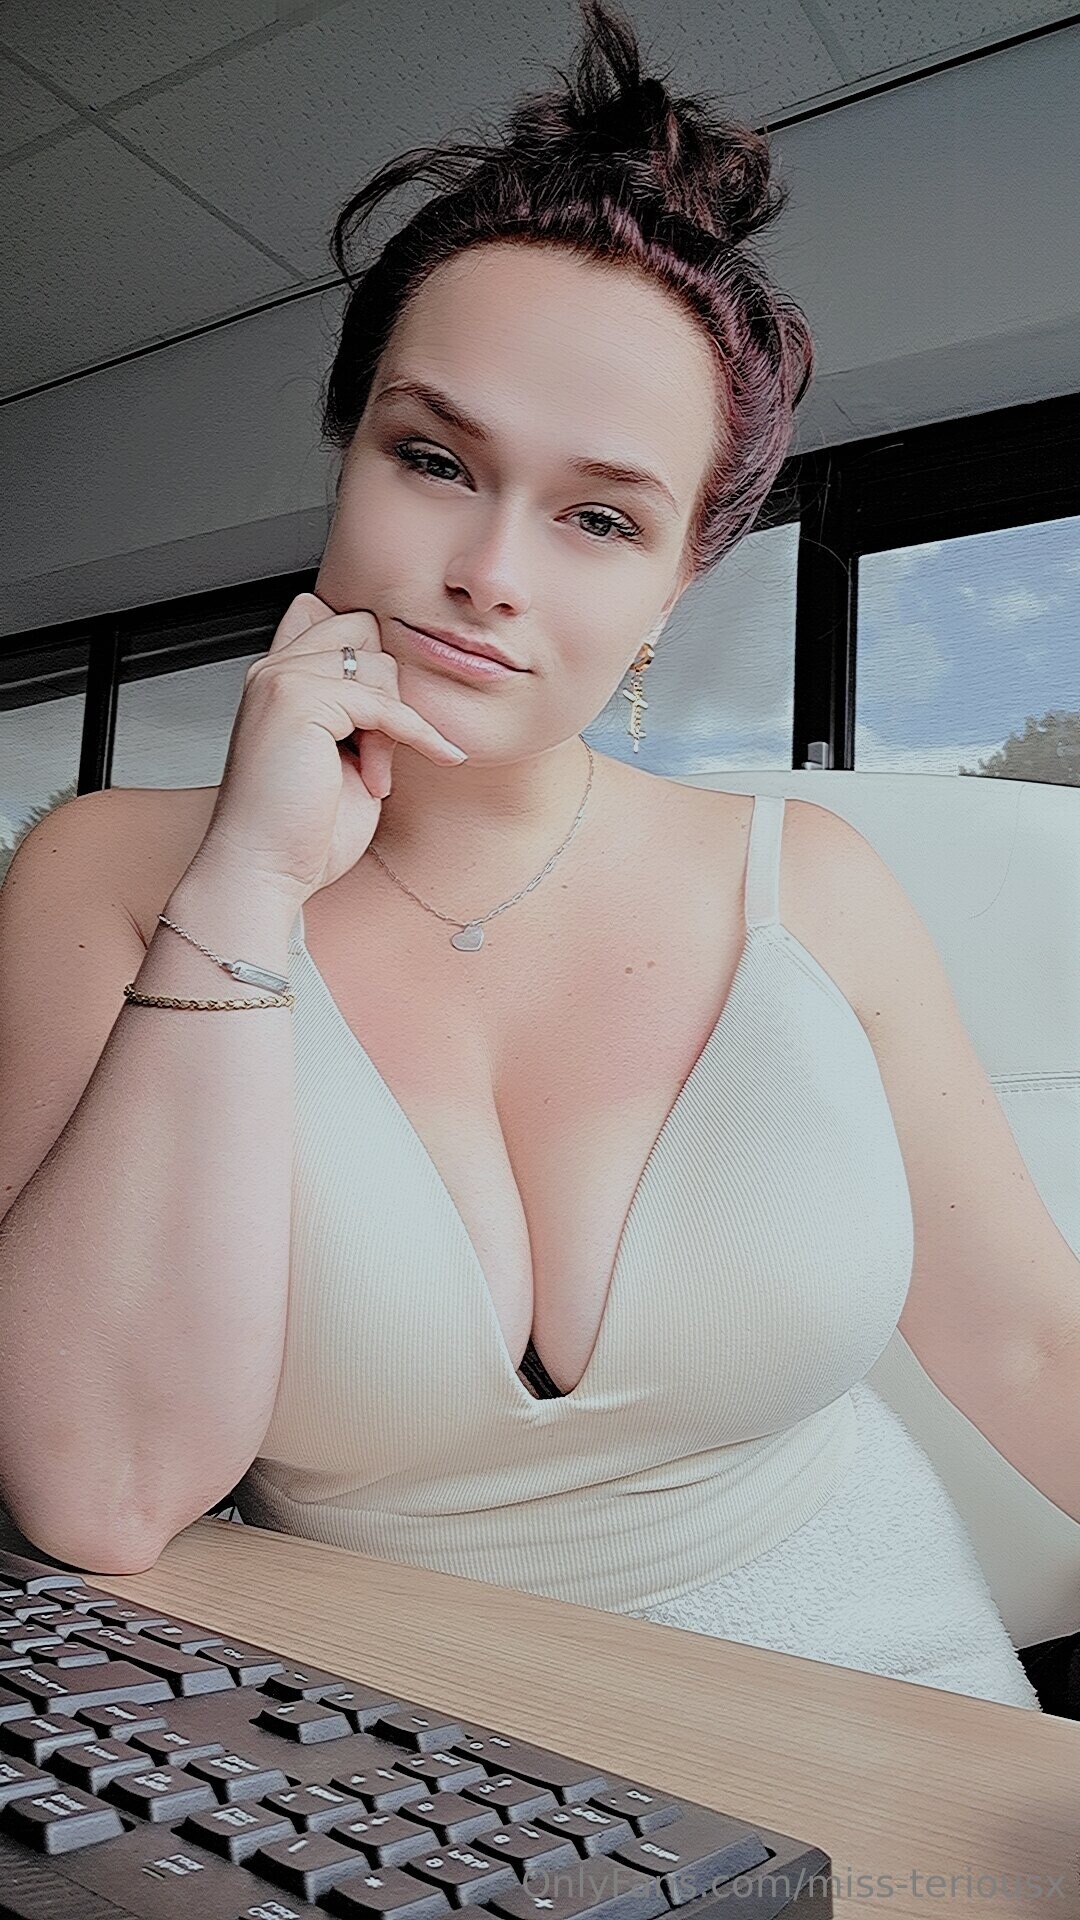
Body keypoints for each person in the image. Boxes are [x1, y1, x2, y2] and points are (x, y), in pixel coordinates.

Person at [0, 0, 1045, 1712]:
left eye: (600, 518)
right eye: (434, 459)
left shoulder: (813, 884)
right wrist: (245, 891)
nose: (490, 569)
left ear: (677, 586)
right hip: (417, 1786)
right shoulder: (108, 876)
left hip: (893, 1720)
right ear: (348, 454)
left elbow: (1026, 1343)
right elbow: (103, 1493)